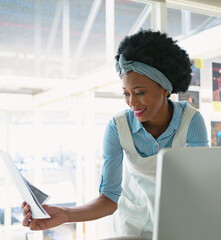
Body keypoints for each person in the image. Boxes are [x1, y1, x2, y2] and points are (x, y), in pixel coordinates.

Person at [21, 30, 208, 239]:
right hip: (132, 230)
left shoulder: (191, 122)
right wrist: (65, 214)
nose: (132, 103)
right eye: (126, 93)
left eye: (140, 92)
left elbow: (199, 188)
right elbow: (109, 199)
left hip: (179, 228)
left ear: (165, 88)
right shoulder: (117, 128)